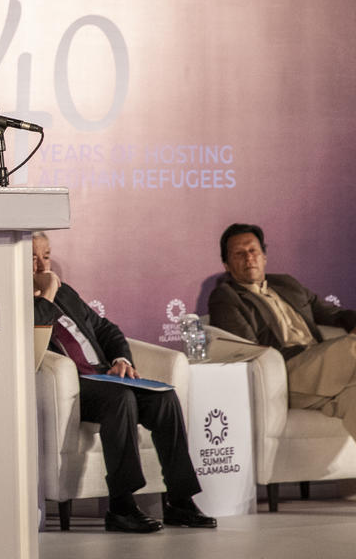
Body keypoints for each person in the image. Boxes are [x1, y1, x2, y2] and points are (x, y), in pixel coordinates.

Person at [32, 232, 215, 532]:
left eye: (46, 257)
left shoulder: (67, 295)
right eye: (32, 259)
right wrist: (48, 291)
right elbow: (36, 328)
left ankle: (180, 501)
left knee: (164, 398)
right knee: (121, 399)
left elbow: (107, 329)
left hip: (105, 375)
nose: (42, 266)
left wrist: (121, 359)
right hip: (74, 385)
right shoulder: (20, 299)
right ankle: (121, 506)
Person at [209, 223, 356, 437]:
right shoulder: (226, 297)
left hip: (323, 371)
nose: (249, 258)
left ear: (264, 257)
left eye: (253, 251)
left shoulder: (288, 284)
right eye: (239, 254)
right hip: (286, 372)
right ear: (226, 265)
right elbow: (248, 350)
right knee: (352, 346)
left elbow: (334, 314)